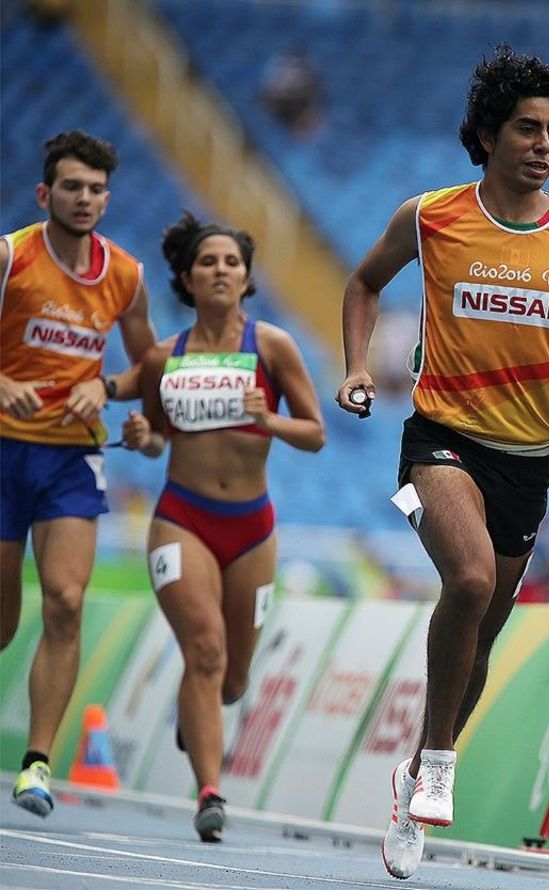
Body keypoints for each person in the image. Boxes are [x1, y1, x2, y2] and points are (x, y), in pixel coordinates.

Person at [335, 45, 549, 880]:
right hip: (437, 441)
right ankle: (438, 767)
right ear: (487, 135)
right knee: (469, 582)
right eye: (527, 128)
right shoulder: (431, 216)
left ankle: (417, 772)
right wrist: (355, 367)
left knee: (484, 634)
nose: (543, 144)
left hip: (529, 458)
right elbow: (361, 284)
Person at [121, 212, 325, 841]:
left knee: (233, 675)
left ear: (247, 277)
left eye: (231, 262)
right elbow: (156, 436)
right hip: (182, 519)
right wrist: (143, 436)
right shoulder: (164, 357)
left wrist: (270, 422)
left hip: (252, 530)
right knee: (203, 649)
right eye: (207, 262)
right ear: (186, 277)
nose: (220, 270)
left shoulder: (273, 347)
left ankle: (202, 707)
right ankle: (210, 793)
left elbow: (314, 434)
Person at [1, 130, 157, 818]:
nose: (85, 198)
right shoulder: (11, 257)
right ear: (45, 194)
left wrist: (114, 391)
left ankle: (36, 765)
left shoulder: (125, 273)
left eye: (96, 189)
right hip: (3, 448)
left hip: (72, 456)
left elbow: (151, 365)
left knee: (65, 601)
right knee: (3, 623)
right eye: (72, 187)